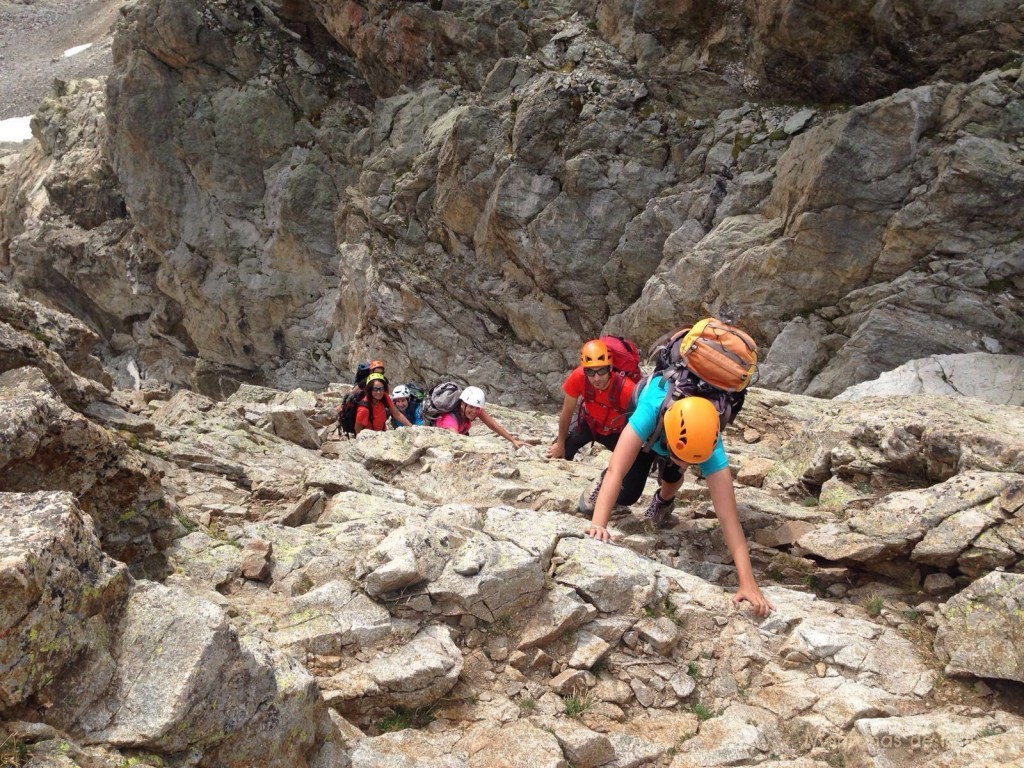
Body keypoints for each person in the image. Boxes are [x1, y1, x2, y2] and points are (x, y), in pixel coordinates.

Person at [581, 381, 773, 616]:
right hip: (652, 434)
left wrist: (748, 582)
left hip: (676, 435)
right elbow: (616, 471)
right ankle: (603, 485)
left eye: (692, 462)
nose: (685, 465)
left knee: (673, 476)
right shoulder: (649, 412)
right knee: (628, 490)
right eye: (680, 456)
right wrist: (599, 524)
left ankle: (662, 501)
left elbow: (728, 516)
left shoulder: (709, 442)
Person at [547, 339, 636, 460]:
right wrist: (560, 443)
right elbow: (567, 410)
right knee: (558, 454)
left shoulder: (627, 389)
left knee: (628, 472)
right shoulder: (578, 377)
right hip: (590, 423)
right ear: (584, 370)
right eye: (590, 372)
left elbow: (637, 424)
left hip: (617, 432)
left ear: (610, 368)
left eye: (602, 370)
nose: (597, 378)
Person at [435, 386, 527, 448]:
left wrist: (513, 440)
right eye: (471, 407)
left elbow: (493, 425)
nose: (474, 411)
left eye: (477, 408)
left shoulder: (473, 408)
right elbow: (457, 443)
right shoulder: (449, 420)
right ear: (462, 404)